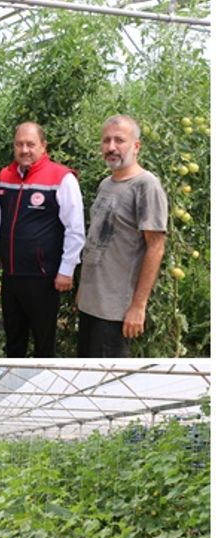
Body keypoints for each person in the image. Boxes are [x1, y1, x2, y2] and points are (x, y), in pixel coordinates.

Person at [0, 122, 85, 358]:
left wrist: (67, 269)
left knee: (43, 341)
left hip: (43, 276)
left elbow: (75, 228)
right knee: (13, 337)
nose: (24, 150)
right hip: (11, 274)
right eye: (19, 144)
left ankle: (43, 377)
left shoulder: (61, 178)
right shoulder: (5, 176)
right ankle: (13, 375)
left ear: (43, 146)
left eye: (30, 144)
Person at [76, 115, 169, 357]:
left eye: (119, 140)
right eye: (106, 140)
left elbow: (156, 247)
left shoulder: (146, 186)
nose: (111, 147)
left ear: (136, 146)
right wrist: (83, 291)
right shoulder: (105, 184)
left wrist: (138, 305)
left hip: (115, 310)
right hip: (89, 304)